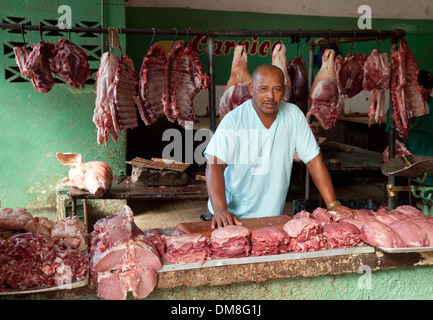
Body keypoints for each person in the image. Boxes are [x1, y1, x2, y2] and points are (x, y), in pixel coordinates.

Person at [204, 64, 355, 229]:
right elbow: (215, 165)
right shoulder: (234, 120)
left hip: (271, 216)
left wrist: (333, 204)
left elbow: (313, 160)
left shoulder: (293, 115)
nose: (270, 96)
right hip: (229, 215)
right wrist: (220, 209)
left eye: (276, 89)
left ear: (284, 90)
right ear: (251, 88)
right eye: (263, 89)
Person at [406, 70, 433, 185]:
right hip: (414, 159)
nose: (430, 91)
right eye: (426, 87)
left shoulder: (432, 104)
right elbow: (394, 136)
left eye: (431, 87)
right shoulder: (403, 106)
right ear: (416, 87)